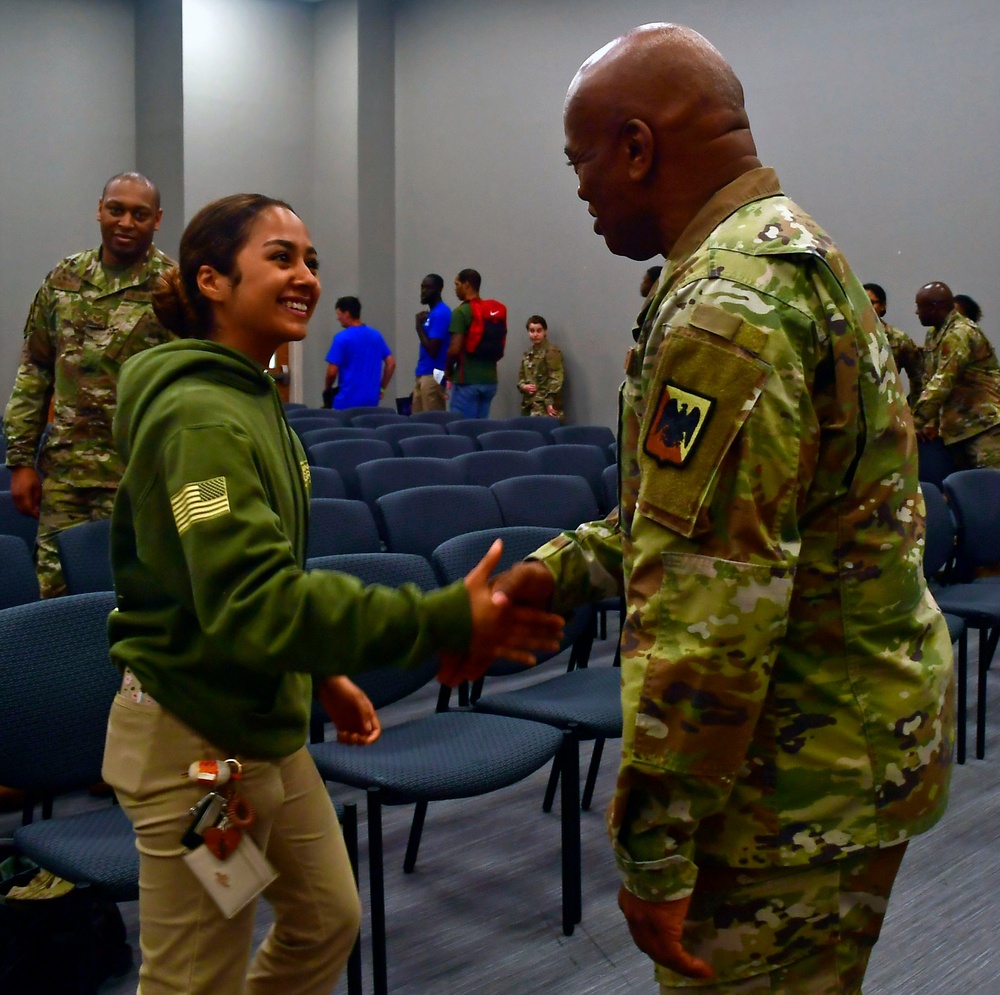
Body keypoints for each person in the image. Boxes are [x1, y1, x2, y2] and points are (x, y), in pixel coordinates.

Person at [492, 24, 953, 993]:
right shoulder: (784, 249)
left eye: (579, 160)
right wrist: (557, 569)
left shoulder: (725, 305)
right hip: (848, 743)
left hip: (790, 790)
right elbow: (703, 521)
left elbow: (713, 603)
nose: (577, 187)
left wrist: (656, 840)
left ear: (635, 146)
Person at [100, 193, 564, 994]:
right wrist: (443, 615)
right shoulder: (197, 416)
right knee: (195, 979)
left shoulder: (251, 397)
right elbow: (252, 601)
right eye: (281, 257)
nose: (306, 276)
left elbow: (256, 582)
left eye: (310, 259)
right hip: (198, 749)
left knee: (324, 921)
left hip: (263, 722)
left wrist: (321, 673)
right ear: (211, 280)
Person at [3, 171, 173, 597]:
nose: (126, 222)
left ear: (157, 220)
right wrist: (21, 459)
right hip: (66, 475)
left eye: (140, 213)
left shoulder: (173, 287)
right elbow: (35, 369)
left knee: (139, 595)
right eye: (116, 210)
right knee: (57, 592)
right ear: (100, 210)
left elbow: (190, 384)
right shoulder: (64, 279)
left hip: (140, 475)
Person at [912, 281, 1000, 468]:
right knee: (965, 492)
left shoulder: (960, 333)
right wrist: (929, 421)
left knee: (991, 489)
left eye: (920, 307)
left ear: (934, 308)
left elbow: (943, 382)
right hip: (958, 430)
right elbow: (928, 379)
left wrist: (913, 422)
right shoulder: (934, 334)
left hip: (985, 427)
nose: (916, 312)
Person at [323, 295, 395, 409]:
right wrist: (382, 388)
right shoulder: (376, 336)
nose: (338, 318)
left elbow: (332, 372)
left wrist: (327, 390)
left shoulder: (342, 338)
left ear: (346, 314)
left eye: (338, 314)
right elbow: (391, 363)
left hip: (346, 401)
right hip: (371, 401)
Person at [446, 268, 500, 417]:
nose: (455, 289)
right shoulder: (489, 311)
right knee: (480, 429)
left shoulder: (461, 312)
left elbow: (454, 349)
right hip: (490, 380)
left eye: (457, 284)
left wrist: (448, 370)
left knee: (461, 431)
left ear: (466, 285)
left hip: (467, 381)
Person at [863, 282, 923, 406]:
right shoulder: (848, 336)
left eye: (872, 303)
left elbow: (919, 378)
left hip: (887, 409)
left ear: (882, 306)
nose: (866, 308)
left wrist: (913, 410)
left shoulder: (898, 339)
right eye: (861, 303)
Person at [412, 273, 451, 411]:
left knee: (432, 423)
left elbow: (433, 349)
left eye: (428, 288)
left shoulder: (441, 313)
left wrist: (418, 327)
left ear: (438, 290)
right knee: (417, 424)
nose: (423, 292)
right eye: (422, 287)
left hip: (433, 375)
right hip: (423, 372)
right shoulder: (432, 313)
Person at [517, 314, 565, 420]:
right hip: (529, 405)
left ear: (545, 331)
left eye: (539, 331)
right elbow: (521, 377)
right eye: (532, 331)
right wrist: (523, 386)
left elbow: (556, 379)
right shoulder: (528, 353)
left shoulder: (551, 351)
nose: (535, 334)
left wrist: (549, 403)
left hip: (545, 407)